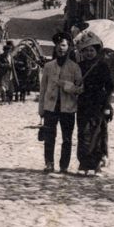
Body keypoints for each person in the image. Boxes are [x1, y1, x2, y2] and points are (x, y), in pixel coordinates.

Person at [38, 31, 83, 174]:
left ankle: (64, 165)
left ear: (69, 47)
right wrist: (41, 109)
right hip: (51, 107)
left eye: (63, 45)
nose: (60, 48)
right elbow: (43, 89)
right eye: (58, 45)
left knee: (67, 138)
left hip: (68, 108)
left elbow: (81, 88)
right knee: (49, 137)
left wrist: (70, 87)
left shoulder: (75, 67)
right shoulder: (49, 66)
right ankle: (49, 163)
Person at [75, 32, 113, 176]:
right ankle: (84, 164)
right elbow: (74, 83)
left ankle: (96, 164)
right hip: (83, 103)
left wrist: (108, 105)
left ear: (96, 51)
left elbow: (109, 87)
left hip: (99, 103)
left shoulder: (102, 66)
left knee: (97, 133)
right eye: (86, 50)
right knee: (83, 133)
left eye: (92, 50)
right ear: (82, 52)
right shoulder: (78, 66)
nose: (89, 53)